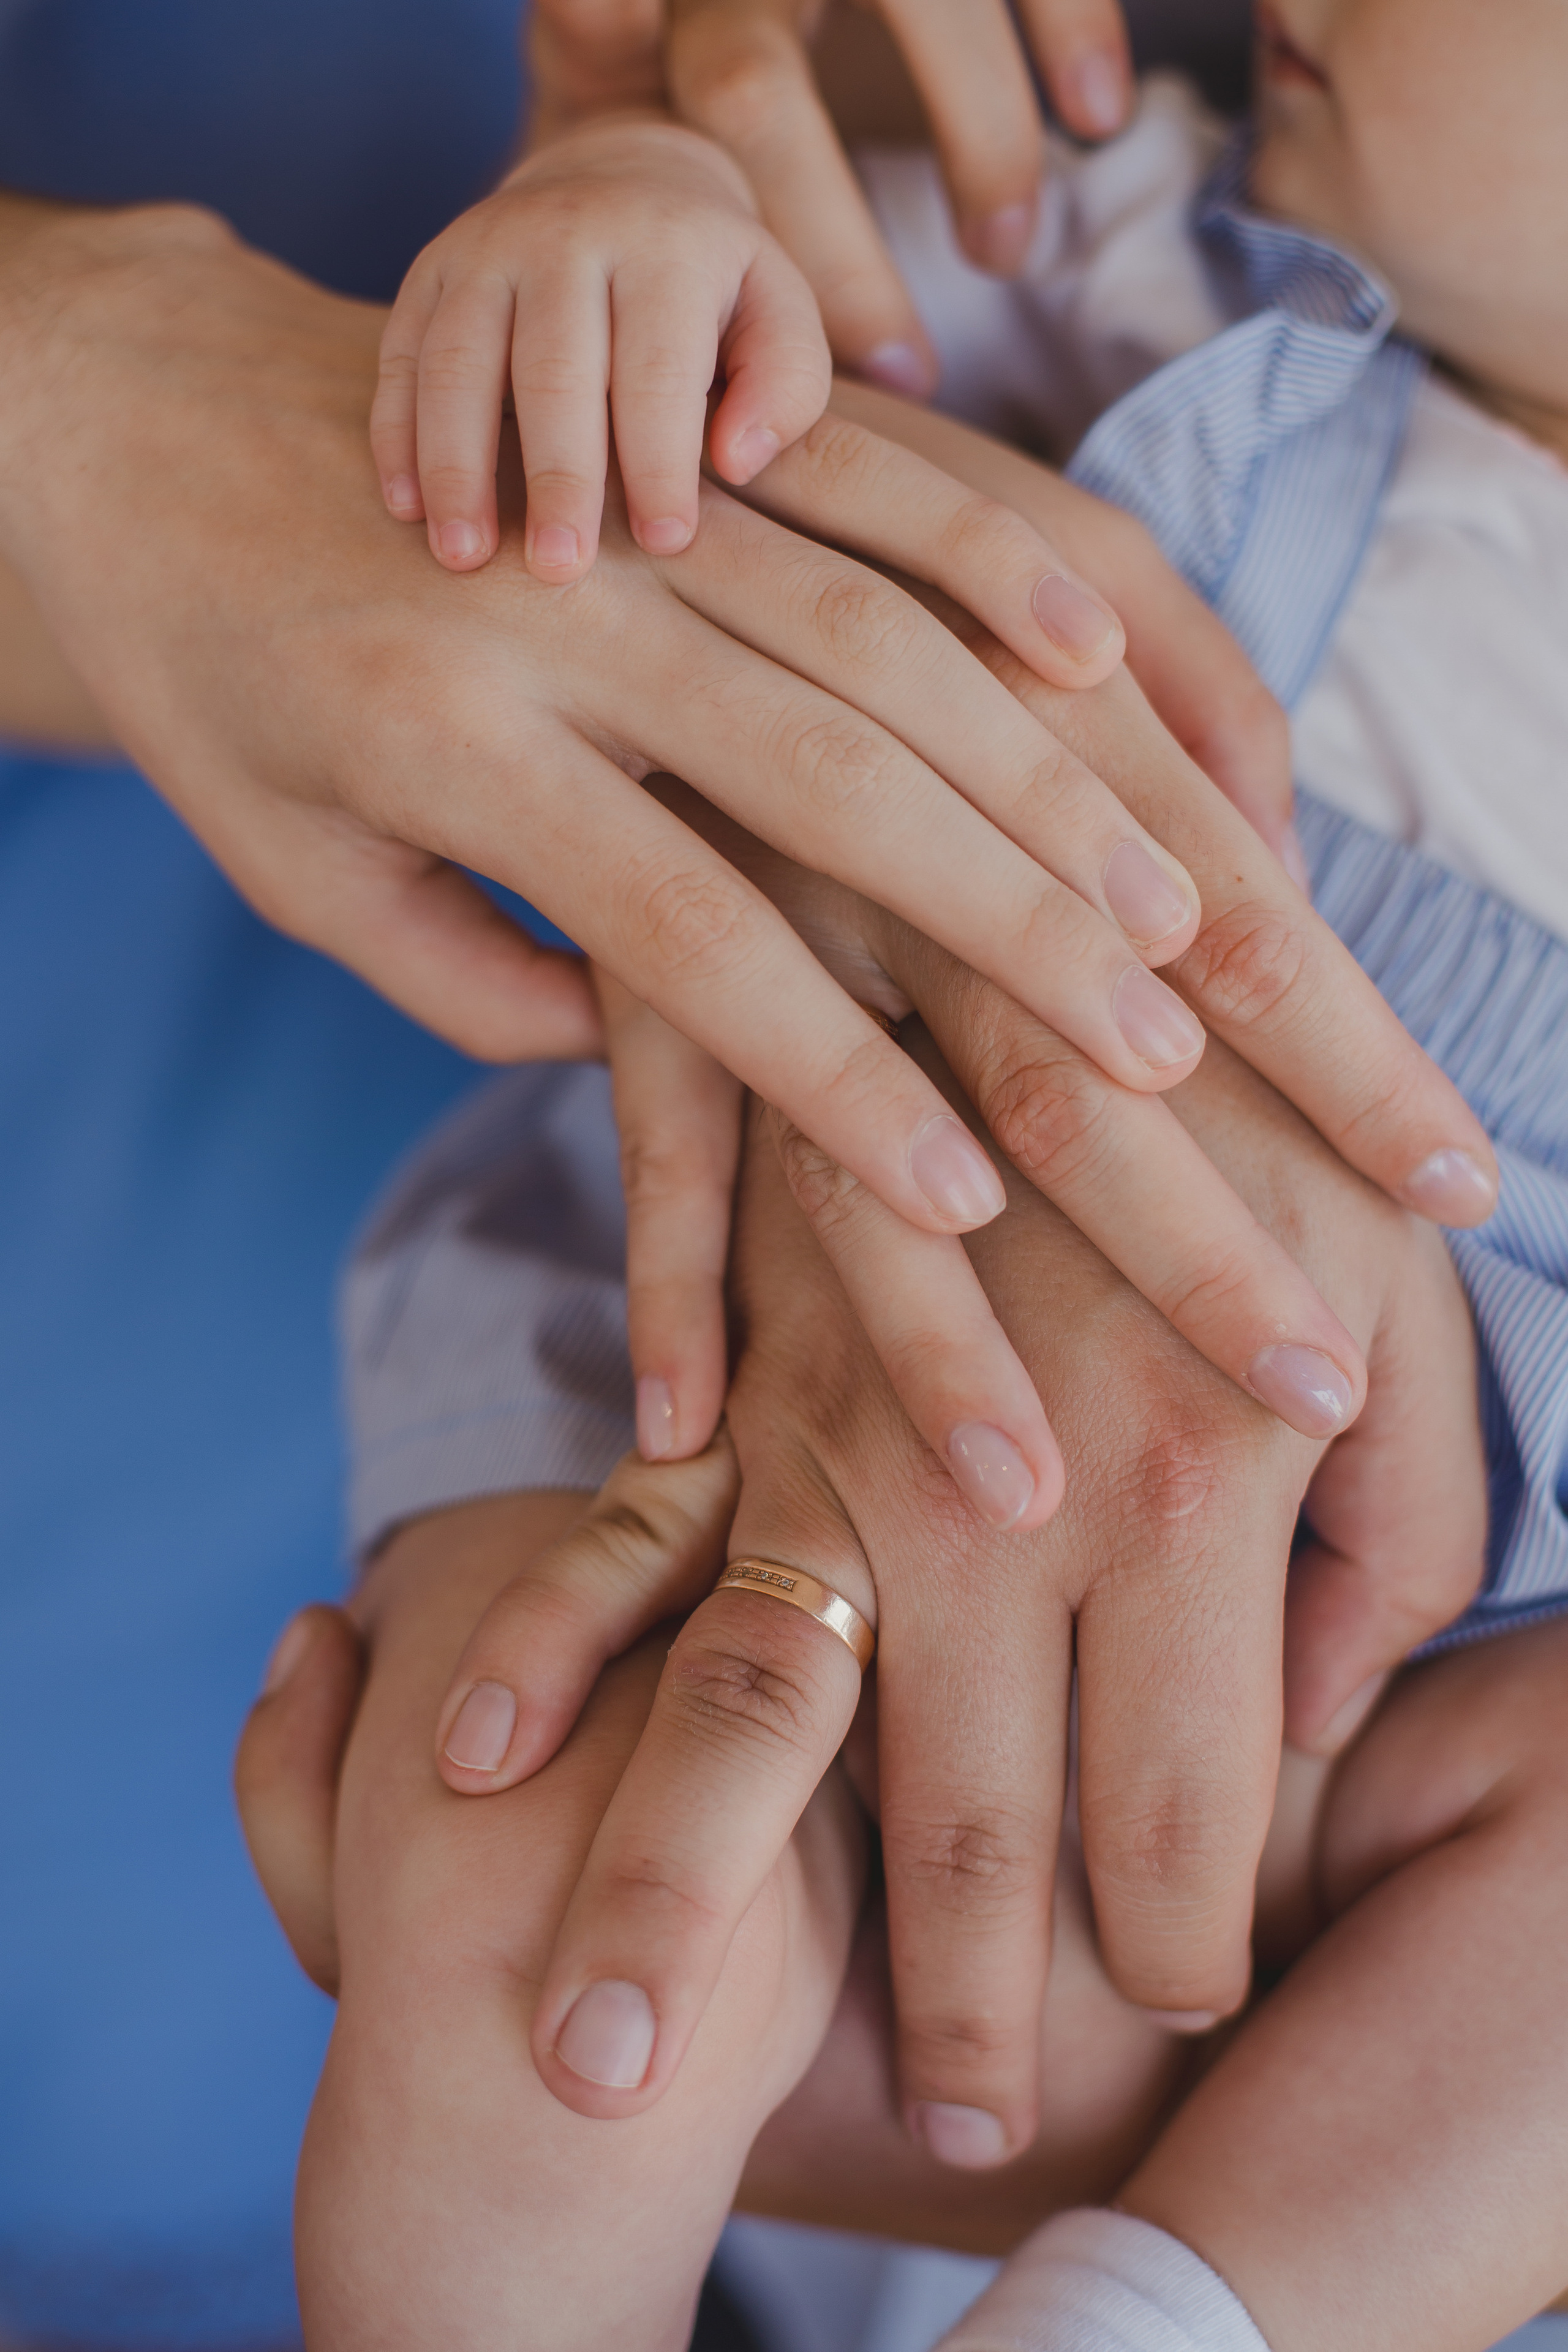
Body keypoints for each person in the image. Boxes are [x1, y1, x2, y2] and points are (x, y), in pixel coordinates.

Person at [238, 0, 1568, 2344]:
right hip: (711, 1442)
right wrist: (630, 222)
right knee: (534, 1910)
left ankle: (1162, 2314)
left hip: (1374, 1724)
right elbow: (737, 379)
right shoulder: (1183, 280)